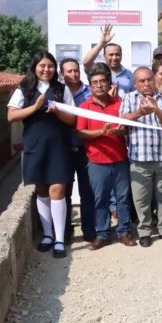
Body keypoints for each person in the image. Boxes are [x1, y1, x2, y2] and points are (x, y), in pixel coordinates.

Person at [7, 51, 76, 258]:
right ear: (35, 67)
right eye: (42, 66)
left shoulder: (61, 89)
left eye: (51, 66)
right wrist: (34, 108)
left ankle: (60, 239)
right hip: (35, 146)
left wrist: (57, 112)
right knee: (42, 190)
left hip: (58, 146)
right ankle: (47, 235)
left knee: (58, 190)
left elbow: (72, 120)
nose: (46, 69)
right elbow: (11, 115)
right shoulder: (24, 89)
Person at [76, 64, 136, 249]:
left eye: (103, 81)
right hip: (96, 161)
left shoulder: (119, 104)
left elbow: (126, 130)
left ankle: (124, 232)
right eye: (95, 82)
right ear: (90, 85)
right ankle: (102, 233)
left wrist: (119, 132)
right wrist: (100, 132)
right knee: (99, 199)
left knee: (123, 198)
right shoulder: (84, 107)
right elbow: (80, 133)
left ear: (109, 83)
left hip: (119, 159)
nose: (99, 85)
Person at [120, 67, 162, 248]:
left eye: (149, 79)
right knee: (141, 198)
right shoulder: (129, 98)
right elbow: (123, 120)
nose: (146, 84)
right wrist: (139, 113)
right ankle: (144, 231)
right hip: (139, 157)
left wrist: (157, 110)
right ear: (135, 84)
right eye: (141, 81)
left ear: (154, 79)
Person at [59, 58, 96, 242]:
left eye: (76, 70)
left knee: (87, 192)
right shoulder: (57, 93)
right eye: (69, 71)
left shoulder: (89, 92)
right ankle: (65, 233)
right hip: (63, 151)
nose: (73, 74)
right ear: (61, 74)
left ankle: (89, 230)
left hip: (85, 150)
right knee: (64, 193)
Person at [82, 24, 134, 96]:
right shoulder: (98, 70)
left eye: (117, 54)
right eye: (111, 55)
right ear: (104, 56)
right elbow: (86, 62)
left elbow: (133, 95)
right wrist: (102, 43)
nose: (114, 58)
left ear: (121, 55)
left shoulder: (129, 75)